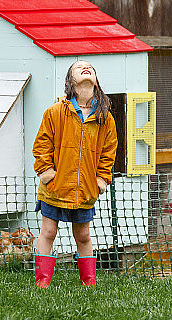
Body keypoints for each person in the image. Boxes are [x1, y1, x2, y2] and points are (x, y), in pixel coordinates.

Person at [32, 60, 118, 287]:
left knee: (83, 236)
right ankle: (41, 284)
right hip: (55, 186)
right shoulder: (55, 112)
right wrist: (46, 172)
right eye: (79, 67)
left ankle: (88, 285)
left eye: (90, 66)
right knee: (48, 232)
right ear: (71, 81)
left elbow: (109, 151)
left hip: (85, 189)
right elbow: (42, 144)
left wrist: (101, 179)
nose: (86, 67)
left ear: (96, 81)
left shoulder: (105, 118)